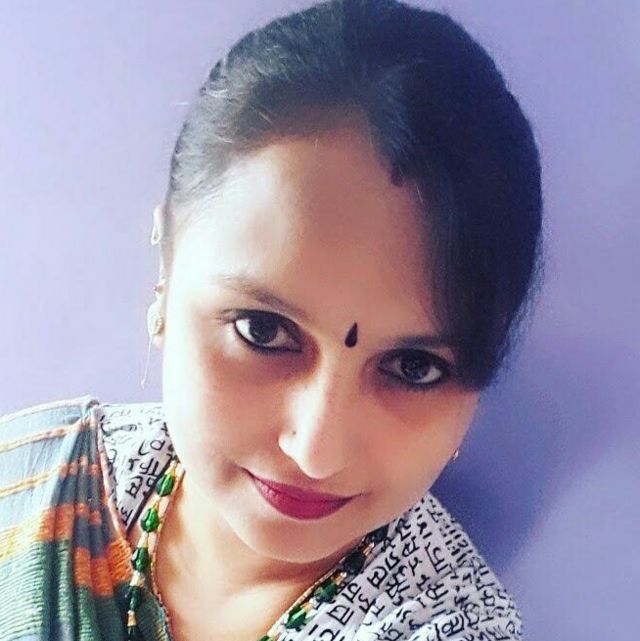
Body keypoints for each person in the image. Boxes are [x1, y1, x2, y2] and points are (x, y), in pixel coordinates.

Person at [0, 0, 544, 639]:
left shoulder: (446, 627)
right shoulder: (31, 486)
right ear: (167, 269)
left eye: (413, 367)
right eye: (263, 331)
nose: (316, 451)